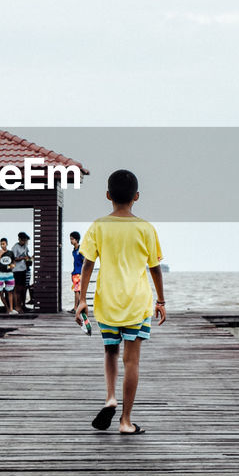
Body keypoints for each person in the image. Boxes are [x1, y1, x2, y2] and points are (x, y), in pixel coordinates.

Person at [75, 169, 165, 435]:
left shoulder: (99, 226)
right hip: (137, 304)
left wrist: (82, 300)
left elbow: (87, 265)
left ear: (107, 196)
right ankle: (126, 421)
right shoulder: (145, 228)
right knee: (132, 361)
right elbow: (155, 268)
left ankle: (110, 397)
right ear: (136, 196)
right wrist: (161, 300)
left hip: (107, 303)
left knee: (110, 351)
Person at [11, 232, 31, 312]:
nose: (25, 242)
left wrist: (28, 258)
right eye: (24, 240)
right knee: (17, 289)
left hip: (24, 269)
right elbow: (14, 258)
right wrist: (23, 258)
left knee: (23, 288)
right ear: (19, 239)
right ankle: (17, 306)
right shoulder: (15, 247)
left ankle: (23, 305)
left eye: (26, 241)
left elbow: (27, 255)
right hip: (17, 270)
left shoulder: (25, 246)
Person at [0, 240, 15, 314]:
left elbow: (13, 262)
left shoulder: (10, 253)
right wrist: (0, 254)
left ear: (7, 244)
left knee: (10, 291)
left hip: (9, 273)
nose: (2, 245)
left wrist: (12, 266)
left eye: (3, 244)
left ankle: (11, 309)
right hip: (0, 273)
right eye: (1, 244)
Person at [69, 230, 85, 314]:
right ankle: (78, 307)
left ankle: (75, 307)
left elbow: (84, 260)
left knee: (76, 291)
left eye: (72, 239)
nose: (71, 241)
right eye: (70, 239)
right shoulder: (73, 251)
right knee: (77, 291)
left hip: (79, 273)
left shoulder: (81, 249)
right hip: (75, 273)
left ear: (77, 239)